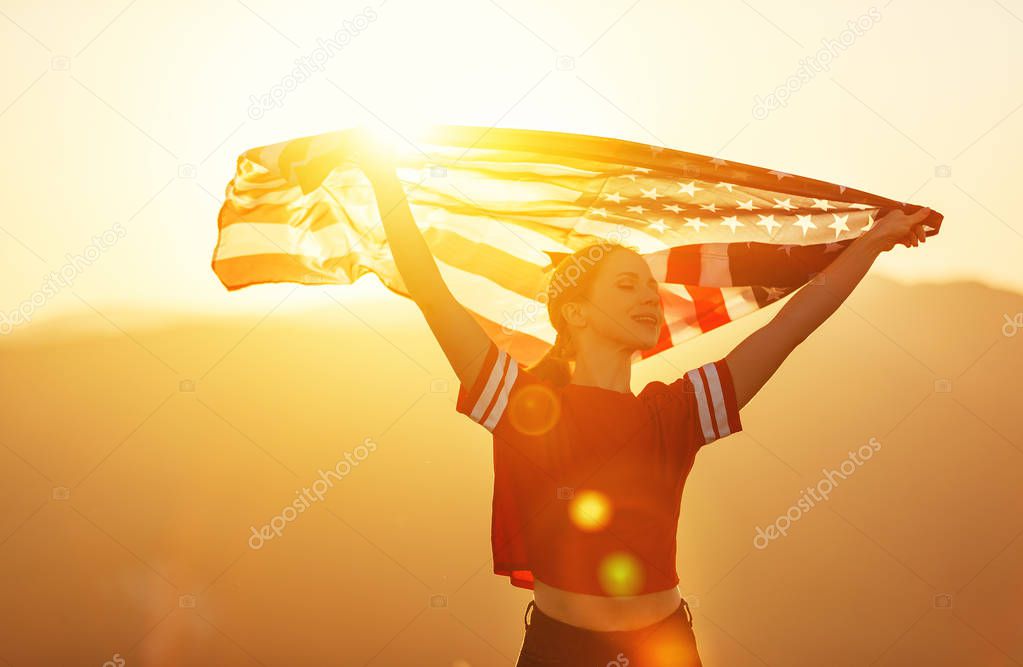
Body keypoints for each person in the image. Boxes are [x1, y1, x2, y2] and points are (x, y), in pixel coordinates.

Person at [352, 128, 932, 666]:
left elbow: (791, 325)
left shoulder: (673, 412)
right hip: (561, 651)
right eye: (627, 285)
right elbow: (431, 292)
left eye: (652, 288)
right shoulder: (523, 406)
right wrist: (385, 181)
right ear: (574, 312)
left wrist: (873, 243)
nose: (650, 299)